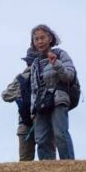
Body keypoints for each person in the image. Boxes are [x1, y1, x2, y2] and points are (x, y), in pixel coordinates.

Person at [29, 25, 76, 161]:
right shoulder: (35, 64)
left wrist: (56, 63)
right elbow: (34, 88)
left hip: (59, 98)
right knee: (41, 139)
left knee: (60, 134)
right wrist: (33, 111)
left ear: (50, 38)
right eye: (36, 39)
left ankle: (68, 167)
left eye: (42, 38)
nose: (39, 41)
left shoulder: (60, 54)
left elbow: (69, 76)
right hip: (41, 103)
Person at [1, 51, 53, 162]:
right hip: (45, 120)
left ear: (27, 63)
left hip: (24, 122)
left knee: (25, 162)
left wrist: (19, 94)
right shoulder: (48, 74)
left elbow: (5, 95)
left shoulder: (20, 78)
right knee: (48, 160)